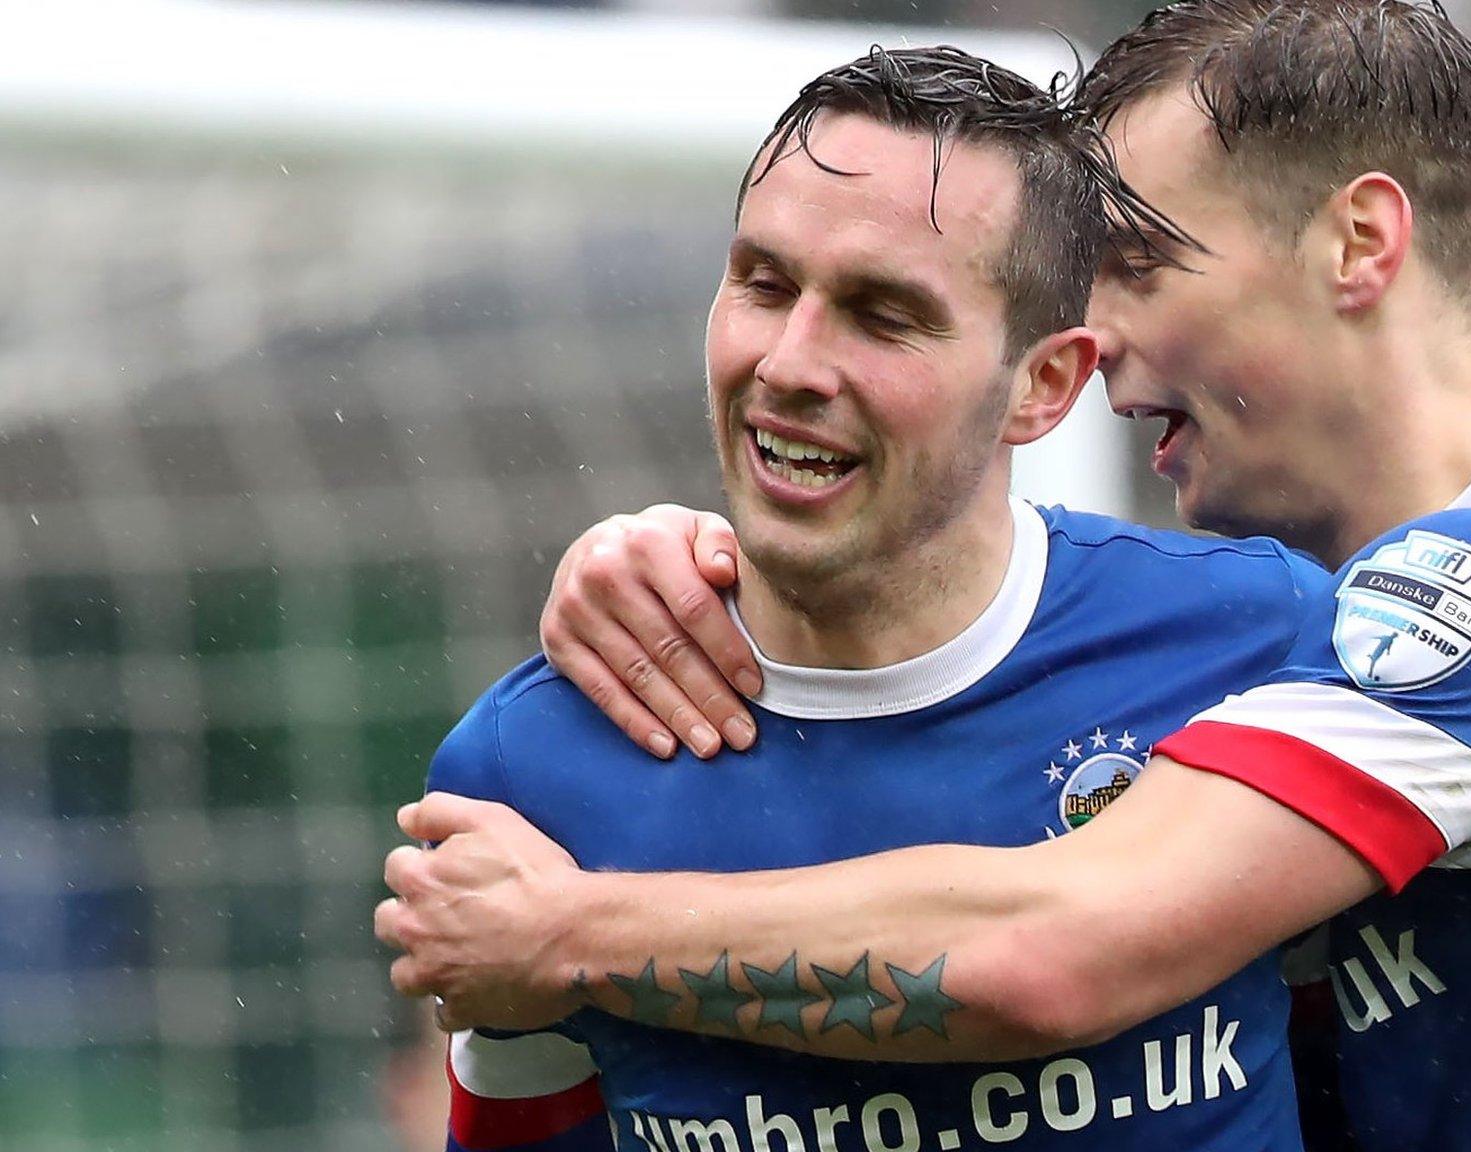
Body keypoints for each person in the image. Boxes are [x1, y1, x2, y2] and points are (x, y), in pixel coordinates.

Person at [382, 5, 1471, 1150]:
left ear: (1359, 244)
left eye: (1143, 267)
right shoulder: (1364, 642)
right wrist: (718, 546)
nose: (1100, 345)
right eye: (766, 287)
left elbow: (1058, 947)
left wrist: (567, 930)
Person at [383, 43, 1332, 1152]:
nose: (789, 361)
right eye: (763, 283)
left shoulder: (1257, 643)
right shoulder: (535, 765)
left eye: (881, 315)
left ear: (1043, 386)